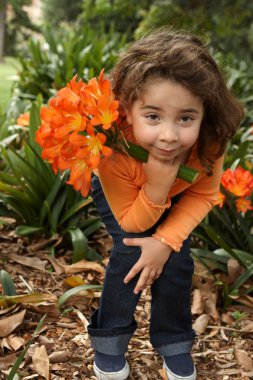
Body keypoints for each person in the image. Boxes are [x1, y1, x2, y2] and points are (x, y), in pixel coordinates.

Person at [87, 28, 244, 380]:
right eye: (153, 116)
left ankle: (174, 341)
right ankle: (110, 339)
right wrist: (156, 186)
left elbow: (203, 194)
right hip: (123, 194)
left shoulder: (209, 141)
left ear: (206, 113)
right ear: (127, 110)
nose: (170, 136)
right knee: (129, 252)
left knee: (175, 260)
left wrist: (164, 242)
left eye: (186, 118)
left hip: (180, 197)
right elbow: (130, 223)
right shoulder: (112, 146)